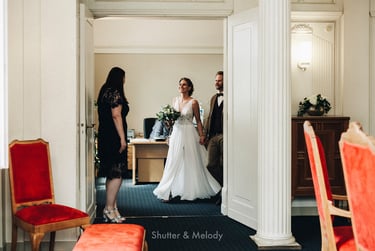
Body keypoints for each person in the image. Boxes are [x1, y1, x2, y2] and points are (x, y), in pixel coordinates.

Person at [153, 77, 221, 201]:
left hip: (189, 132)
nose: (181, 87)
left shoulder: (193, 102)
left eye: (184, 85)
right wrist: (169, 131)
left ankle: (191, 188)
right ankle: (169, 190)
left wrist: (201, 135)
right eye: (180, 84)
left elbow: (198, 121)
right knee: (174, 160)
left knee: (191, 160)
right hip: (177, 132)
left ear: (189, 87)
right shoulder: (175, 100)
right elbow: (172, 121)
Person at [97, 66, 129, 223]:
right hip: (113, 137)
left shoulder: (104, 90)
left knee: (112, 173)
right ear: (119, 78)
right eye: (123, 77)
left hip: (104, 136)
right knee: (117, 174)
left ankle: (112, 208)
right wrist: (122, 138)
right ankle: (109, 208)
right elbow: (116, 116)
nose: (124, 80)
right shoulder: (115, 92)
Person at [204, 71, 224, 193]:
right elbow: (210, 117)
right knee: (211, 165)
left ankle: (224, 193)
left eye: (219, 80)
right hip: (212, 136)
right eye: (216, 80)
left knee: (223, 165)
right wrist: (205, 134)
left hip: (224, 135)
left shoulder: (232, 97)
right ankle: (224, 188)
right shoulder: (213, 98)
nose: (217, 82)